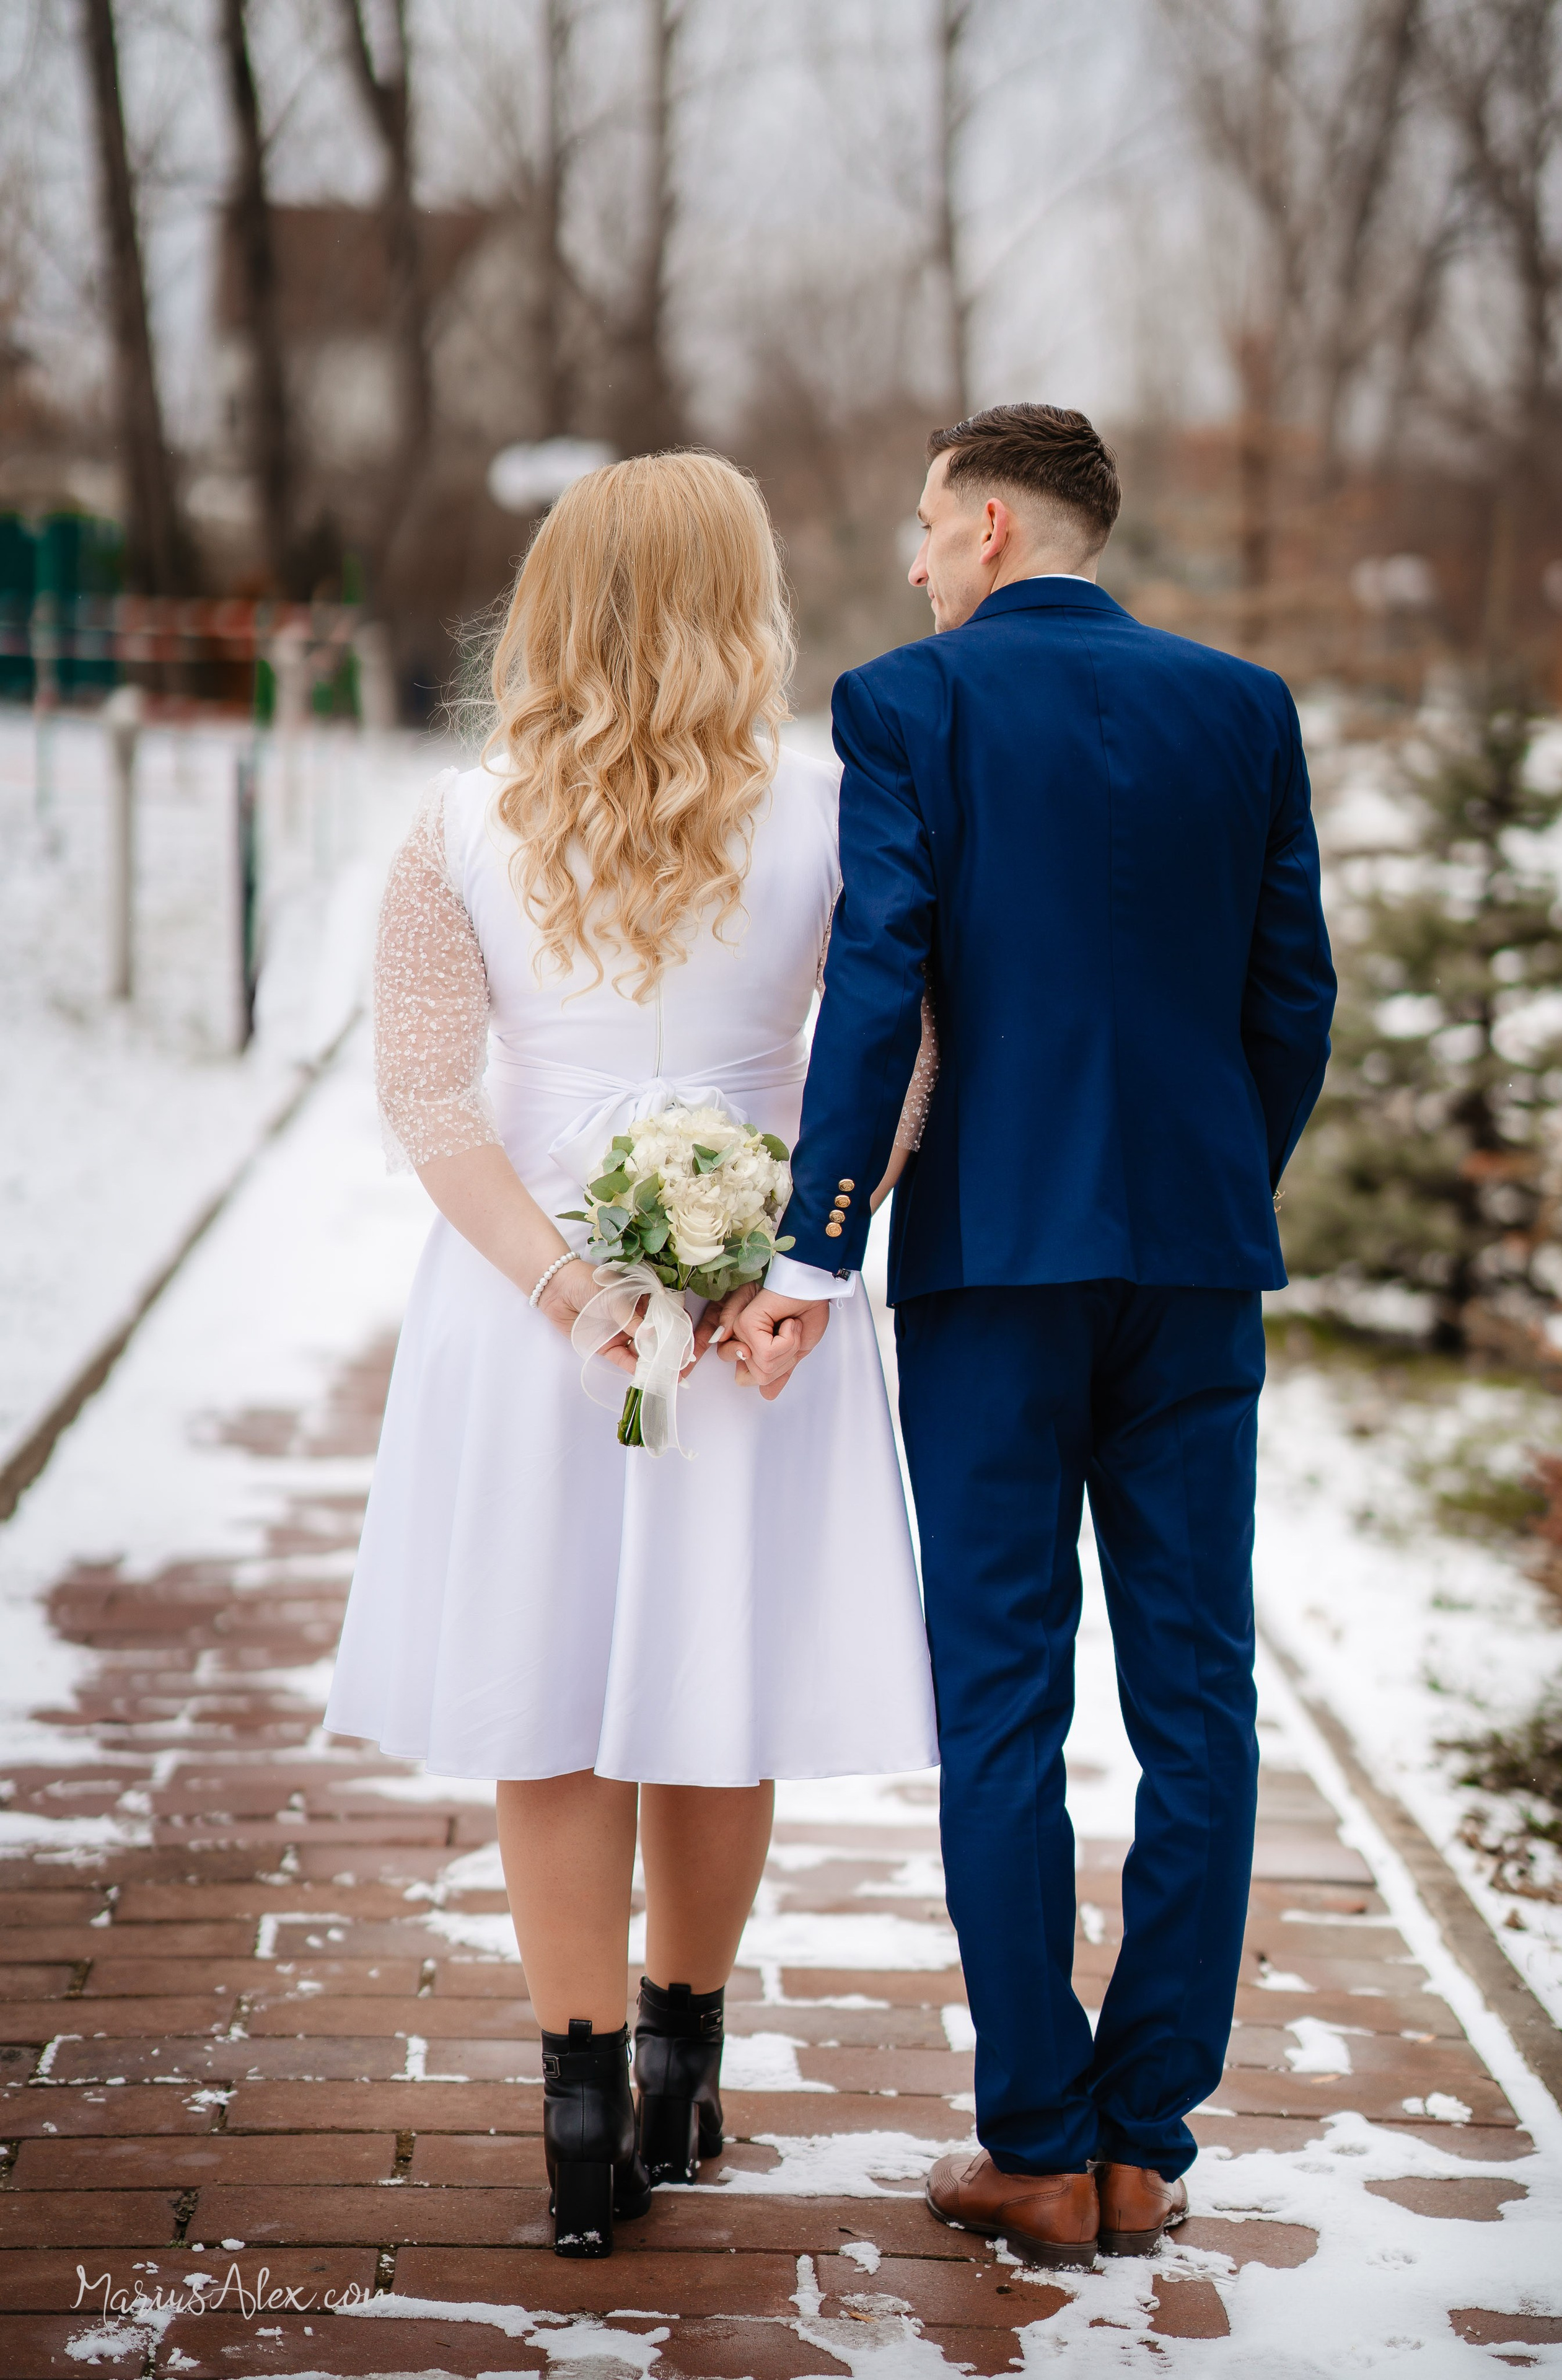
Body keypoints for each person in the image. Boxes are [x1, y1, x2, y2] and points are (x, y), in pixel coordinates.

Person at [726, 403, 1336, 2271]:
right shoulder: (1245, 708)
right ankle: (1145, 2141)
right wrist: (1218, 1179)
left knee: (1004, 1696)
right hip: (1196, 1261)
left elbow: (881, 980)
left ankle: (1036, 2146)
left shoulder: (911, 708)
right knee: (1198, 1695)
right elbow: (1289, 992)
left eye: (925, 527)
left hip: (994, 1261)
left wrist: (815, 1241)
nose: (914, 563)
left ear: (988, 527)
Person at [323, 452, 937, 2259]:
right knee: (709, 1686)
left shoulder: (460, 820)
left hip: (538, 1325)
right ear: (740, 603)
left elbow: (431, 1098)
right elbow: (898, 1056)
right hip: (753, 1320)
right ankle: (688, 2050)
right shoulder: (835, 814)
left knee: (552, 1697)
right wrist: (799, 1269)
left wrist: (567, 1291)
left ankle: (578, 2096)